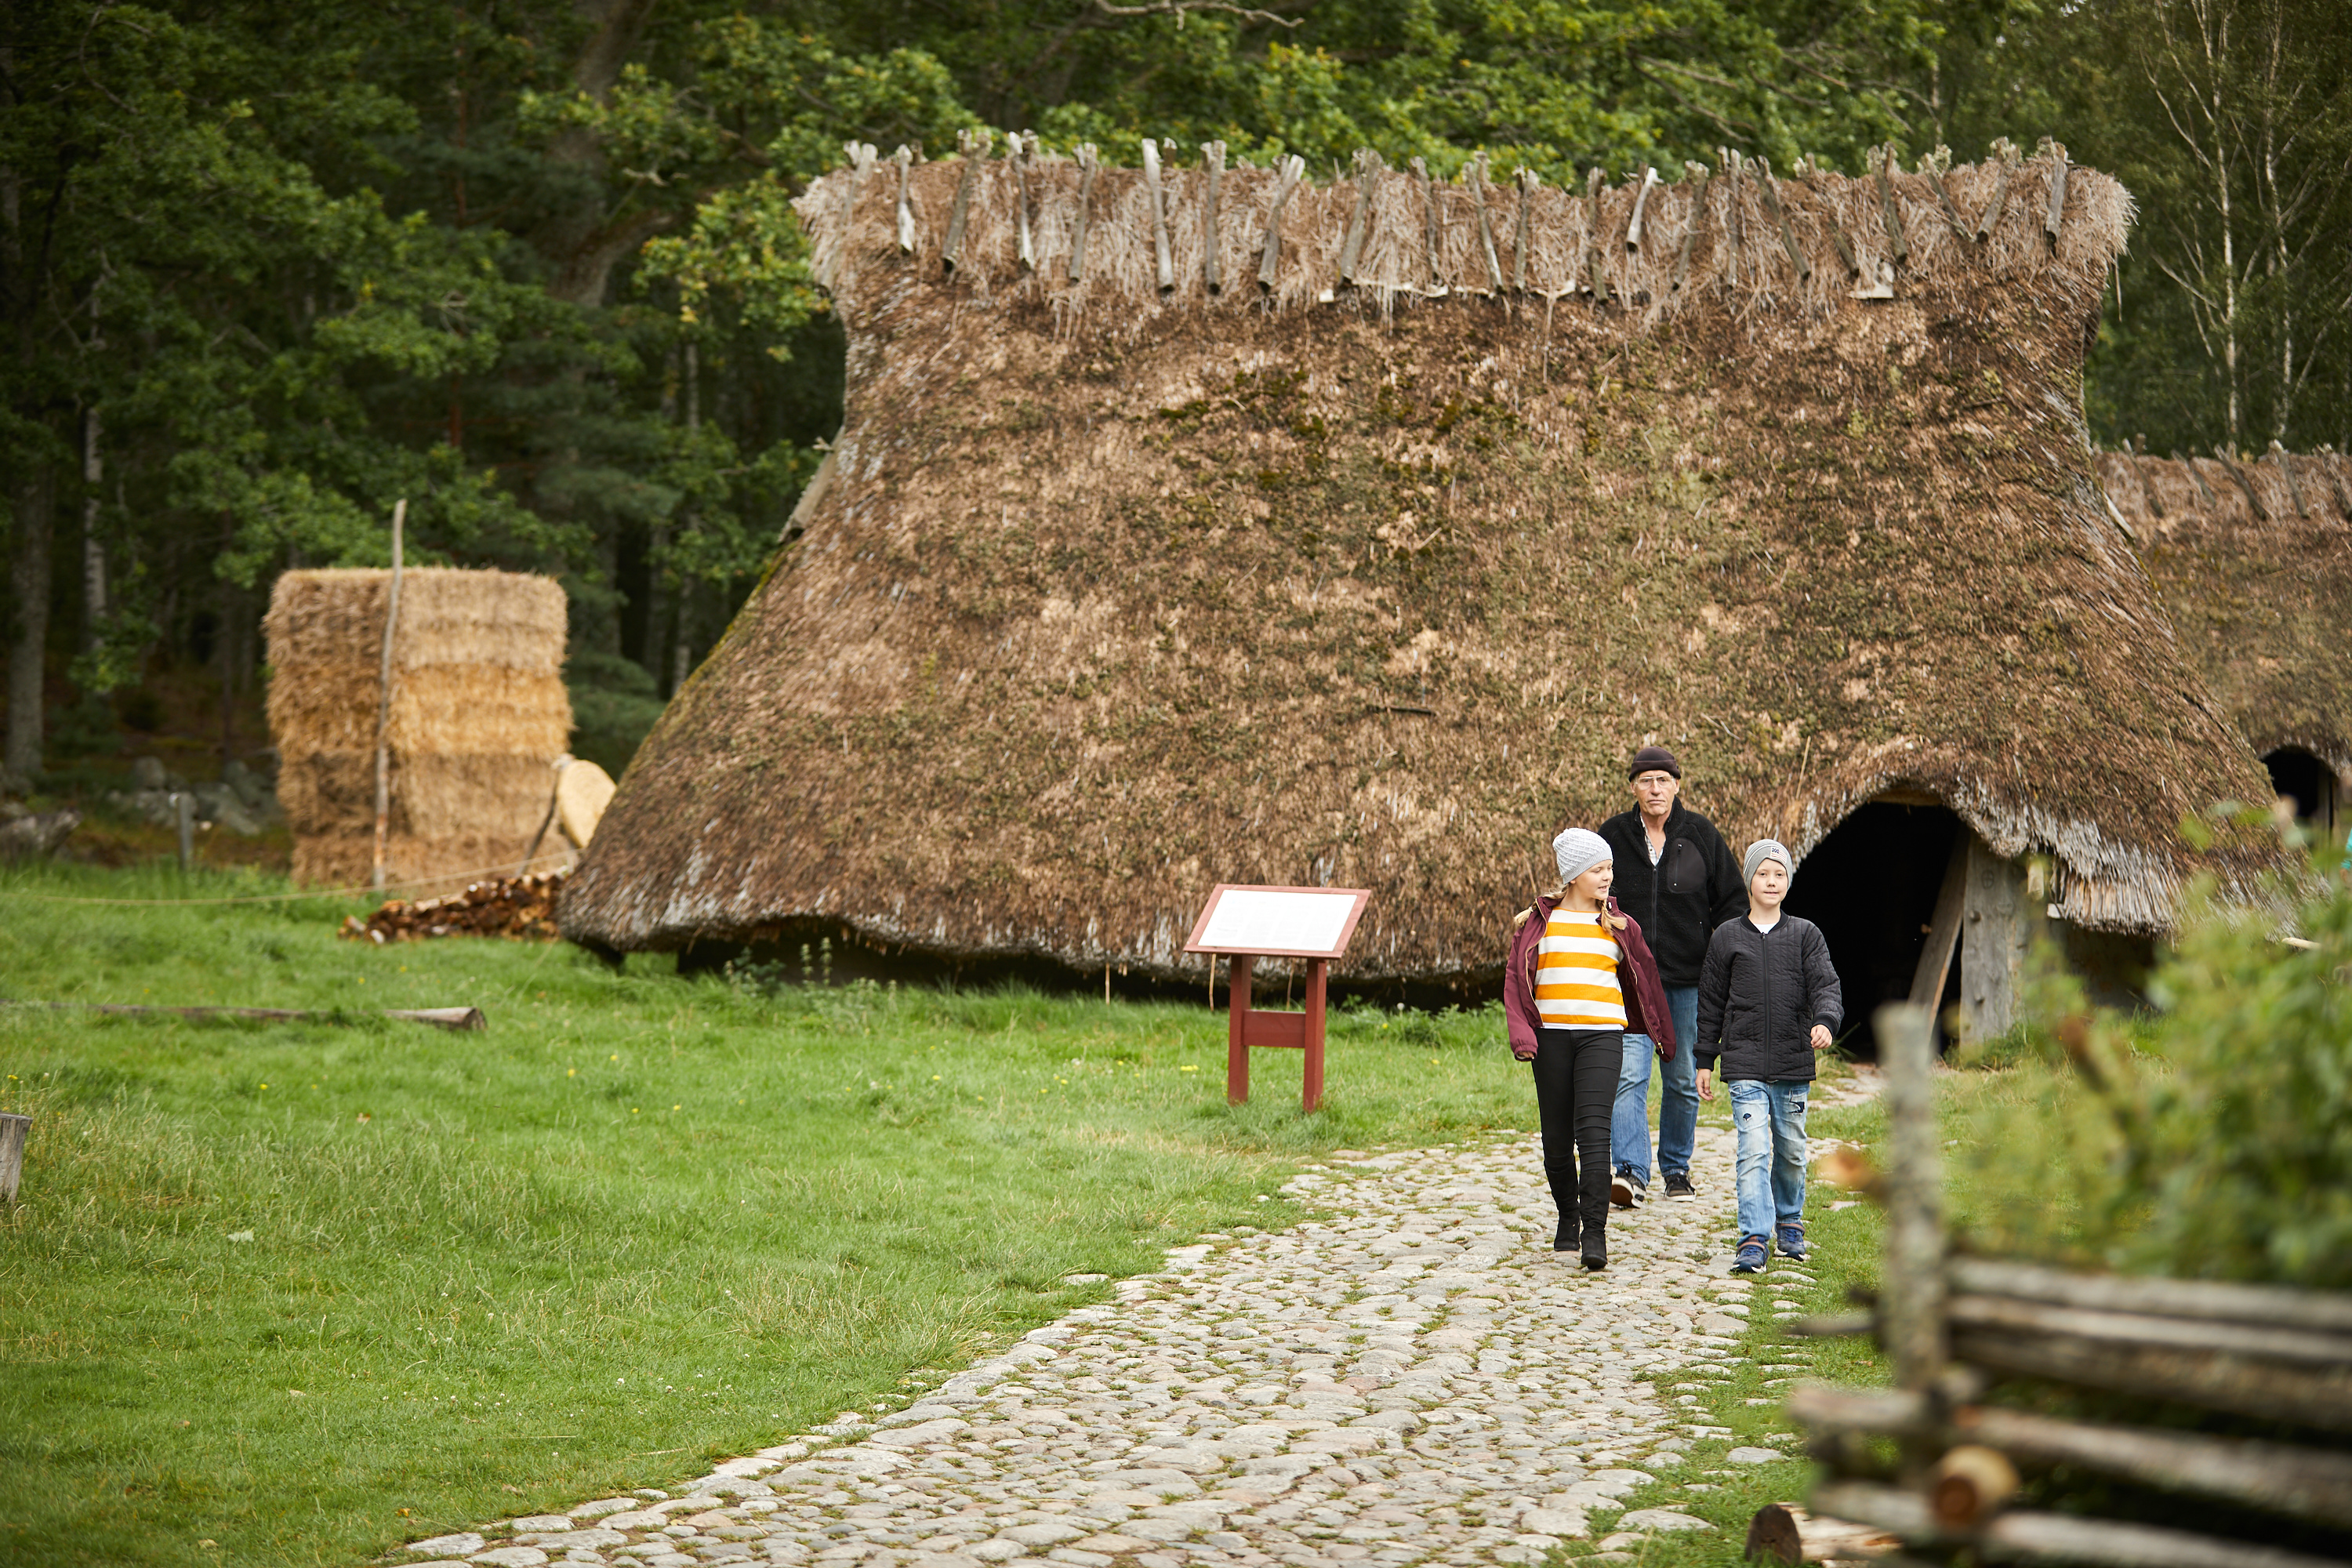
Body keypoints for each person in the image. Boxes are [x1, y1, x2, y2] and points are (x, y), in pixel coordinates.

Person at [1504, 827, 1677, 1272]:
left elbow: (1648, 979)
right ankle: (1568, 1215)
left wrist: (1664, 1036)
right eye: (1599, 869)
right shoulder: (1536, 925)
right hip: (1551, 1040)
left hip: (1603, 1036)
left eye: (1610, 869)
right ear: (1575, 874)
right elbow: (1514, 985)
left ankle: (1595, 1233)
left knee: (1595, 1134)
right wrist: (1523, 1036)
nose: (1607, 877)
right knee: (1557, 1143)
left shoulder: (1620, 926)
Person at [1597, 745, 1746, 1208]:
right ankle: (1629, 1172)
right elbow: (1589, 893)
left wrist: (1721, 958)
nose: (1655, 789)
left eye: (1663, 780)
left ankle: (1677, 1168)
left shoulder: (1700, 834)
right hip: (1630, 979)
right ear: (1633, 787)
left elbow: (1733, 904)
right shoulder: (1613, 837)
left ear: (1677, 785)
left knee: (1682, 1078)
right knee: (1629, 1076)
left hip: (1688, 982)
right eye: (1646, 780)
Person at [1693, 839, 1843, 1276]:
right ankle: (1754, 1238)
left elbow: (1826, 986)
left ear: (1788, 881)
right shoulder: (1727, 937)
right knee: (1754, 1149)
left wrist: (1825, 1022)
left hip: (1794, 1062)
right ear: (1750, 880)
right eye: (1763, 873)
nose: (1771, 881)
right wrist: (1706, 1059)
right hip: (1743, 1062)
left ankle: (1790, 1222)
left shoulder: (1805, 935)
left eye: (1779, 874)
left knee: (1792, 1150)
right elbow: (1710, 1003)